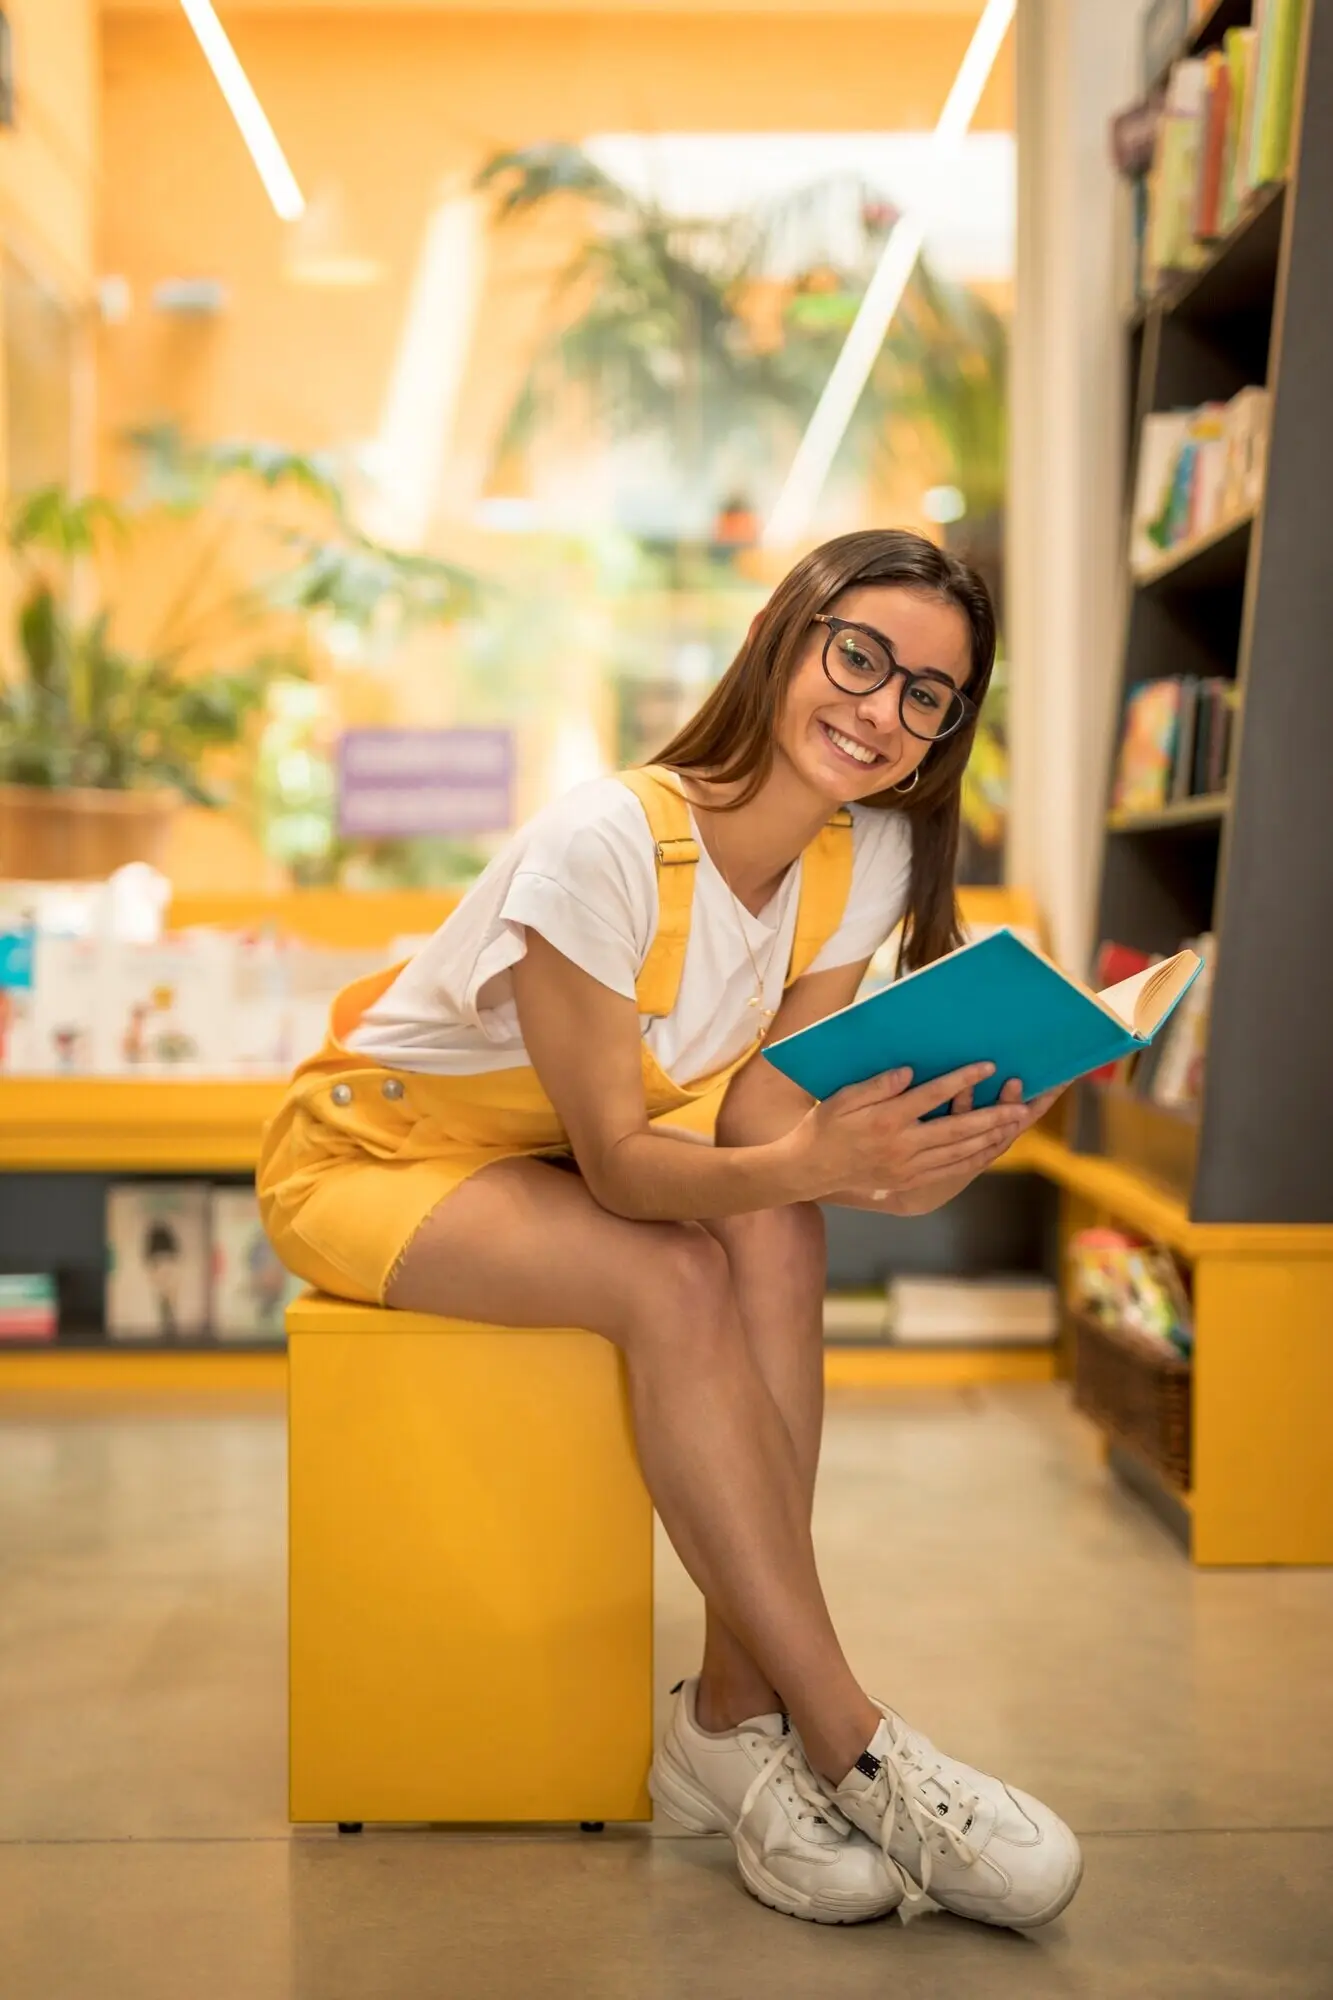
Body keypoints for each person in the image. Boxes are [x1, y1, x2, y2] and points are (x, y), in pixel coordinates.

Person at [258, 528, 1082, 1932]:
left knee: (775, 1239)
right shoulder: (604, 845)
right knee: (675, 1271)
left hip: (538, 1162)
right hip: (371, 1155)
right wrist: (819, 1160)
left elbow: (770, 1130)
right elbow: (633, 1174)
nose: (881, 709)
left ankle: (729, 1716)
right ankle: (851, 1743)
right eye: (860, 656)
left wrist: (926, 1157)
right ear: (782, 635)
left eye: (927, 694)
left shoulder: (862, 858)